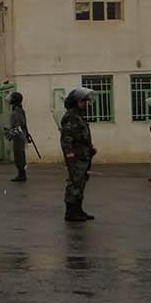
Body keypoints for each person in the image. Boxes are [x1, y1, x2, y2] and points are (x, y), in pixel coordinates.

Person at [60, 88, 96, 222]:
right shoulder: (70, 116)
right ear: (75, 102)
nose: (85, 104)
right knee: (74, 182)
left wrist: (90, 147)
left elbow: (81, 135)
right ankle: (70, 212)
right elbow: (66, 137)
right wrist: (69, 153)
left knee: (80, 182)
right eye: (83, 101)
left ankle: (78, 210)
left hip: (83, 154)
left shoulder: (78, 116)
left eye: (86, 101)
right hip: (75, 155)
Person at [7, 91, 29, 183]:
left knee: (19, 155)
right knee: (19, 154)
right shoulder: (17, 109)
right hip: (18, 135)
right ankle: (21, 174)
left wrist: (11, 133)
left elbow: (20, 124)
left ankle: (22, 174)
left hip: (19, 136)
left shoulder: (17, 110)